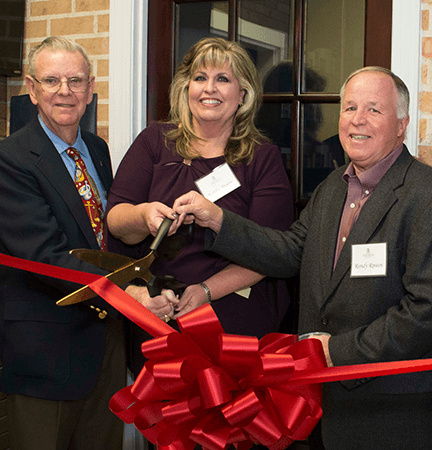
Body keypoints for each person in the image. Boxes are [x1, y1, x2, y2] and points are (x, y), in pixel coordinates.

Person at [172, 67, 432, 450]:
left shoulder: (429, 195)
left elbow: (428, 312)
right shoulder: (333, 187)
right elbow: (290, 252)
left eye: (373, 110)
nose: (357, 120)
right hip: (319, 410)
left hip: (390, 412)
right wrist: (218, 220)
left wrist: (336, 351)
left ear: (402, 125)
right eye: (349, 108)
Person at [0, 37, 167, 450]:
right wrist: (130, 294)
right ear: (32, 90)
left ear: (90, 90)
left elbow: (106, 237)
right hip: (44, 353)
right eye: (51, 80)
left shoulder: (98, 151)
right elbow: (43, 255)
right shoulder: (7, 160)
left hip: (103, 345)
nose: (64, 91)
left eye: (75, 80)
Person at [105, 37, 295, 375]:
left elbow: (271, 251)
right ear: (186, 87)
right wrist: (144, 215)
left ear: (243, 94)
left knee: (231, 422)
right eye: (200, 77)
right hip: (157, 312)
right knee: (163, 420)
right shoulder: (154, 141)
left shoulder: (261, 158)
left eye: (223, 79)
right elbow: (116, 218)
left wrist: (206, 291)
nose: (210, 89)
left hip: (233, 318)